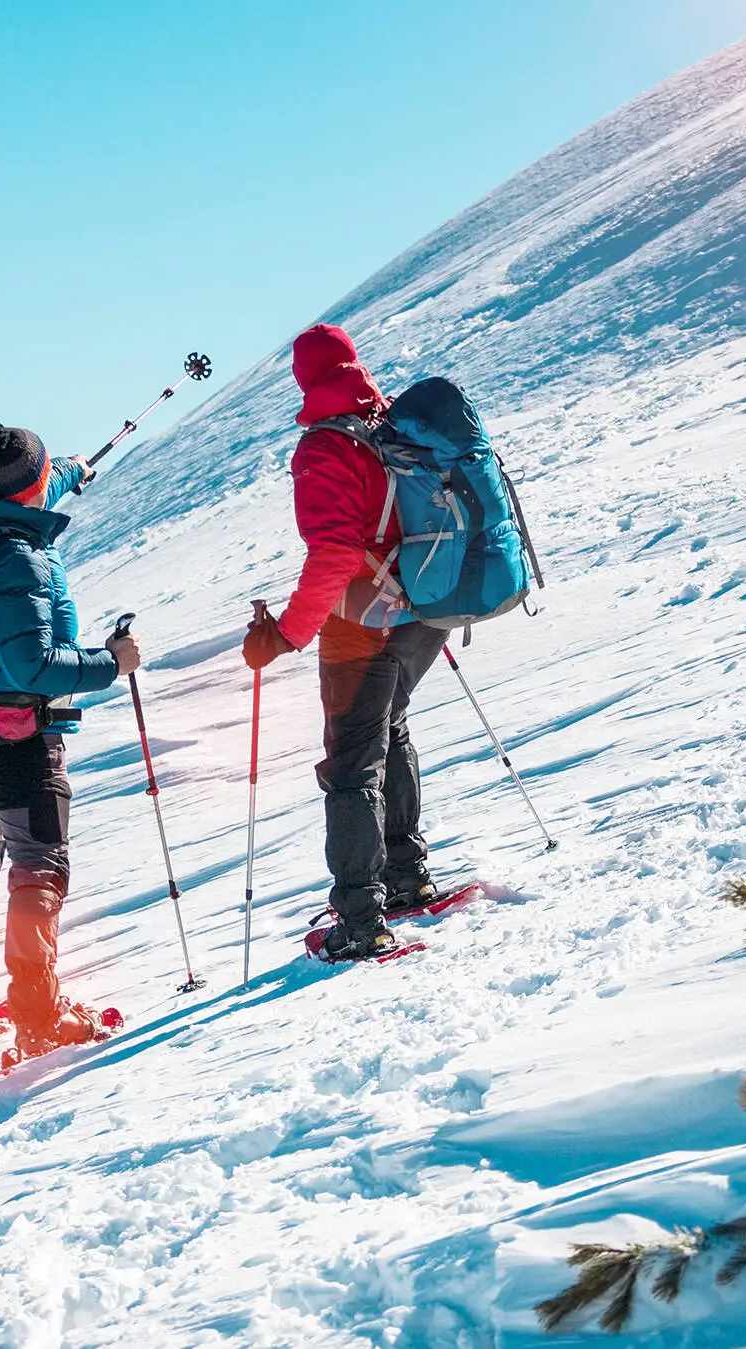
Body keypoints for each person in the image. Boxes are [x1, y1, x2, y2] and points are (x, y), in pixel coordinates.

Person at [0, 420, 140, 1065]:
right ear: (31, 486)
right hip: (17, 736)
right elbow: (32, 666)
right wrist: (111, 663)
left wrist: (69, 468)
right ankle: (40, 1018)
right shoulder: (17, 556)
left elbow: (31, 486)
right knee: (38, 868)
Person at [243, 324, 447, 961]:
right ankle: (406, 878)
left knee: (352, 767)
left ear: (306, 379)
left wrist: (283, 635)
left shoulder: (326, 448)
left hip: (362, 629)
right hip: (424, 612)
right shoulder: (391, 424)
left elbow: (334, 554)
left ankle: (361, 918)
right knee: (394, 734)